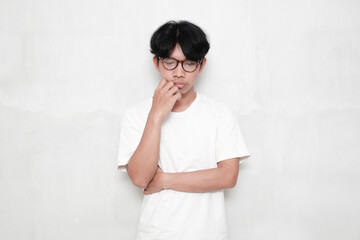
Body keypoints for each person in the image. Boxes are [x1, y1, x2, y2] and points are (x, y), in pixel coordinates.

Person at [117, 20, 250, 240]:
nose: (179, 73)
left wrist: (164, 180)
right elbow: (140, 178)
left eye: (189, 63)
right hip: (157, 233)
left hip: (209, 233)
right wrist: (156, 116)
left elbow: (228, 176)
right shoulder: (136, 115)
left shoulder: (219, 113)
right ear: (157, 63)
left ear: (201, 65)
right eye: (170, 62)